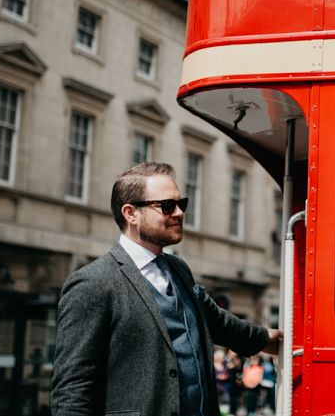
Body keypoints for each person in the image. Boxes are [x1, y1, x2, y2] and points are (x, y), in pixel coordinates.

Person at [51, 162, 282, 416]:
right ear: (131, 213)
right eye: (166, 206)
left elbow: (218, 323)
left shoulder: (178, 269)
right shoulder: (92, 284)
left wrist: (273, 340)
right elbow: (72, 392)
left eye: (181, 204)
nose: (180, 213)